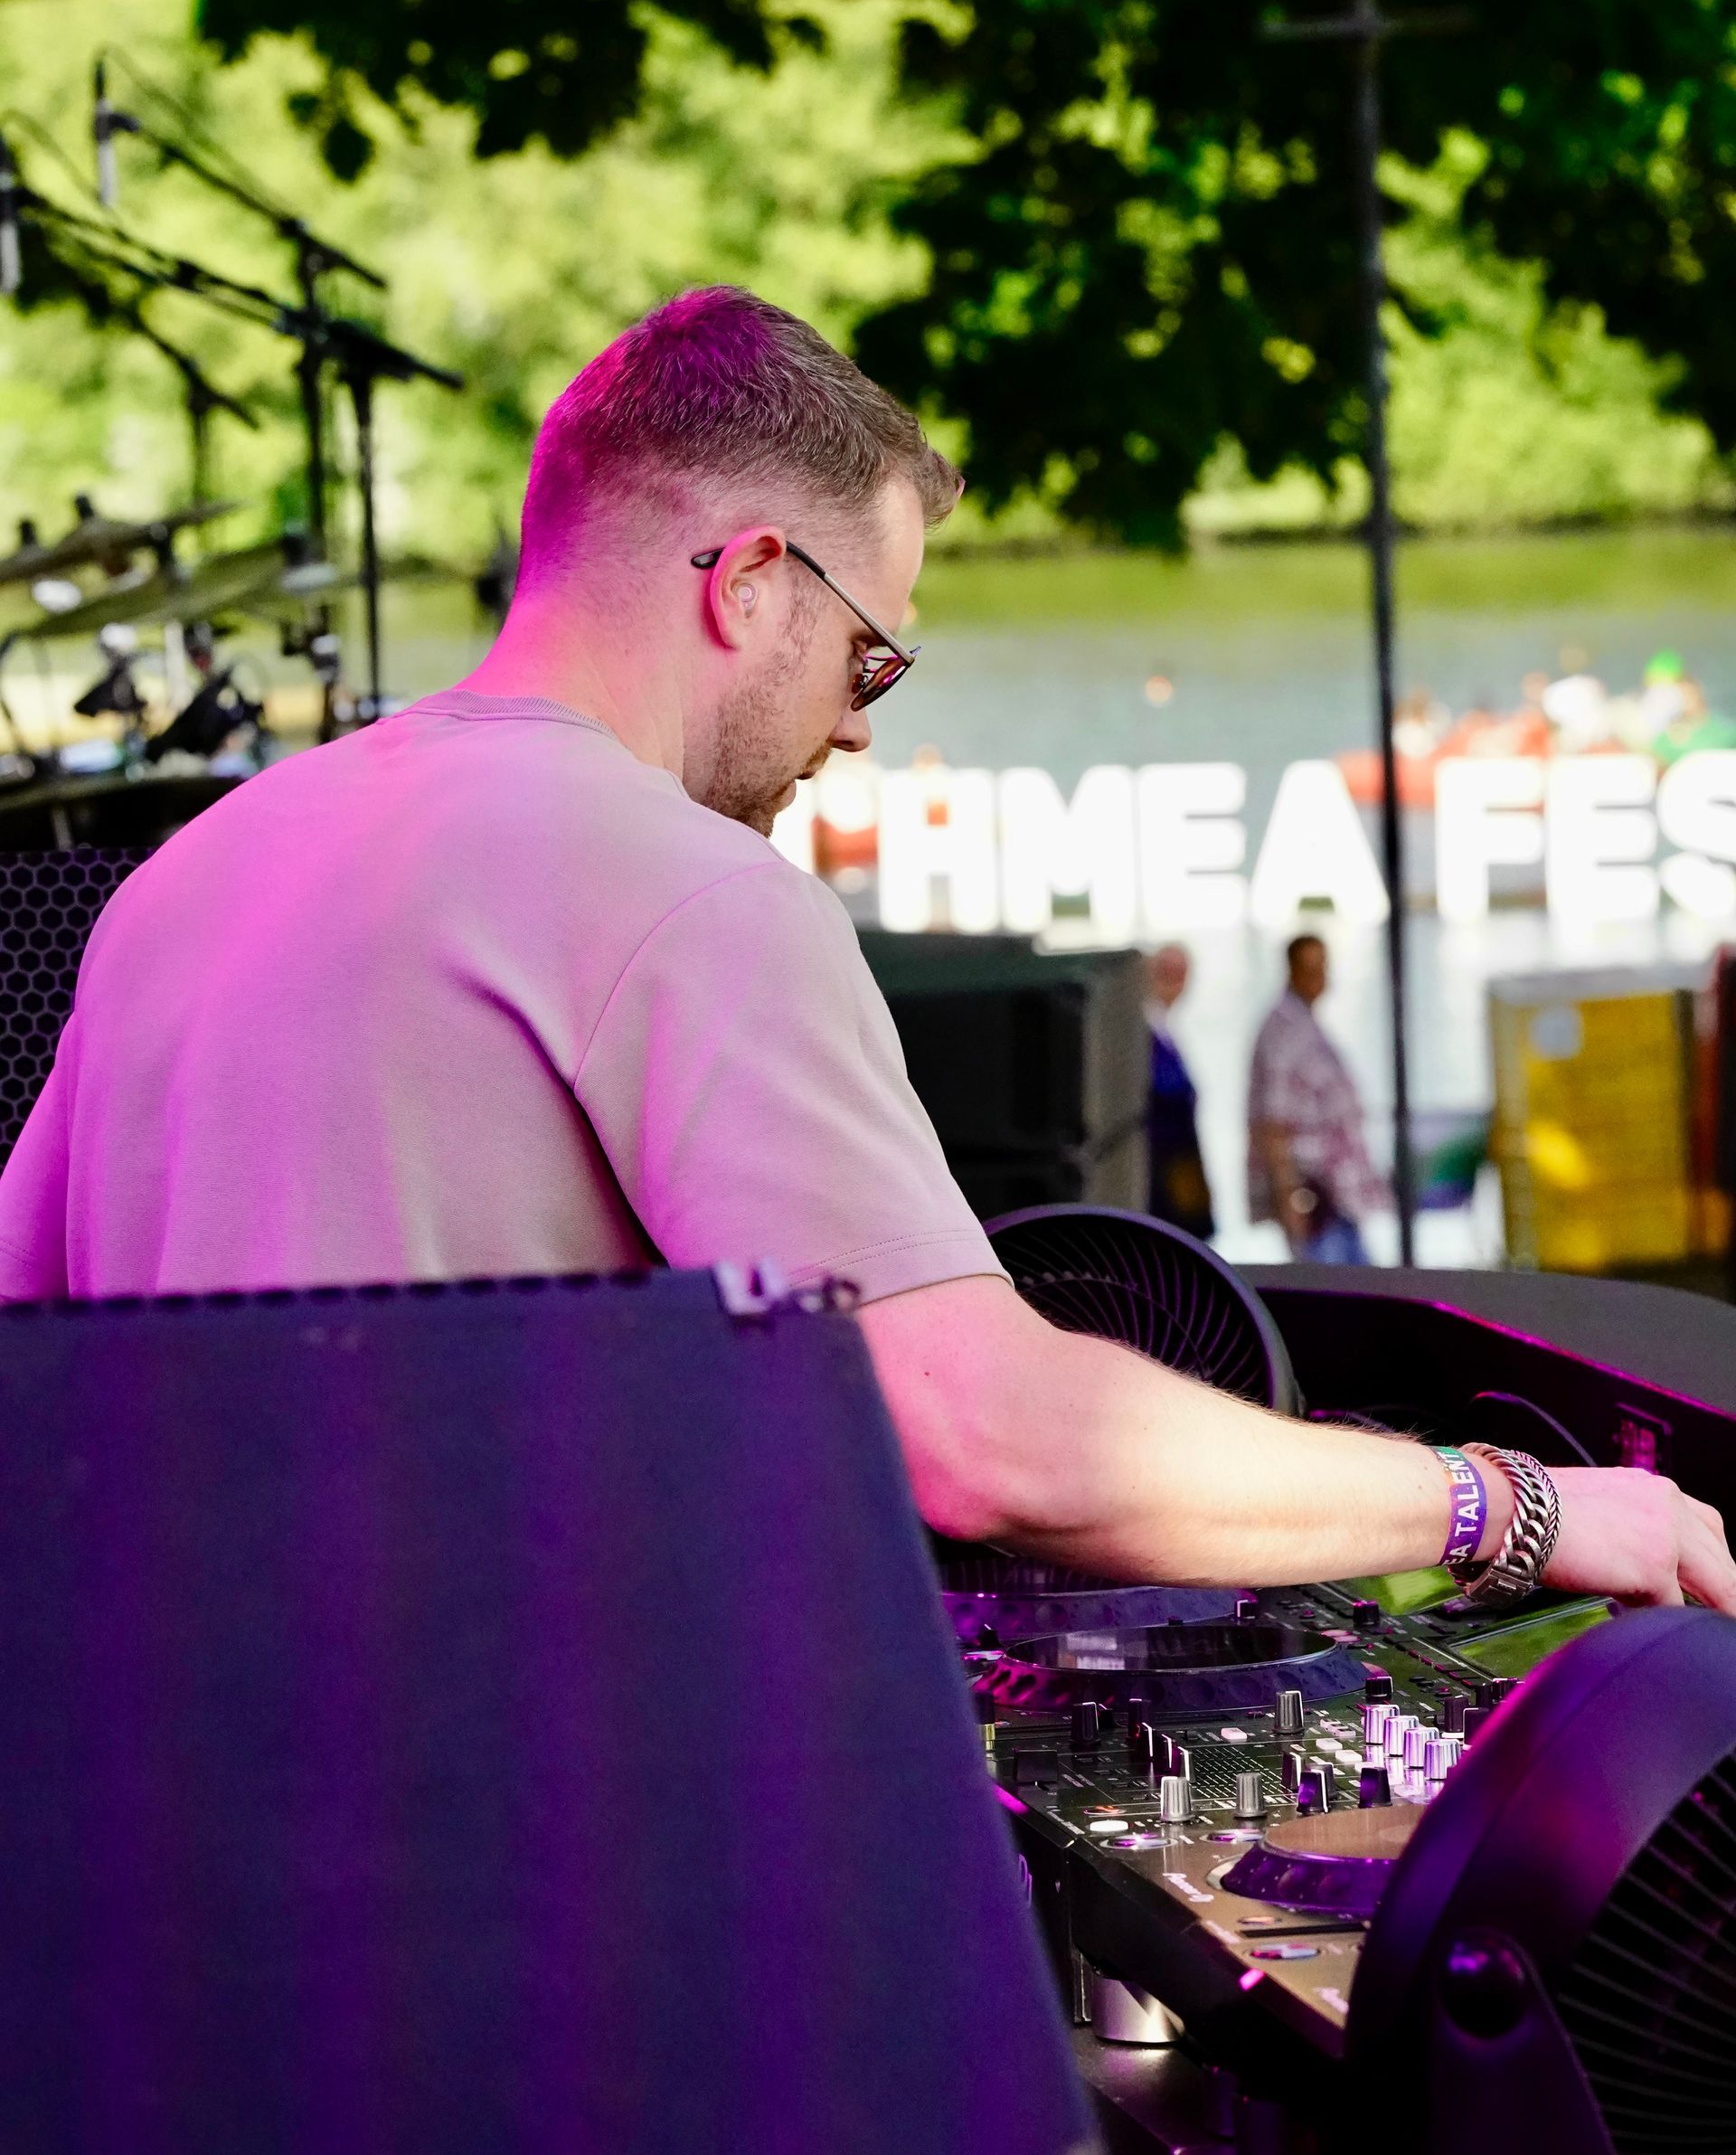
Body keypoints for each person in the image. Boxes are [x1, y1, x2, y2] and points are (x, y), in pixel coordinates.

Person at [0, 287, 1728, 1613]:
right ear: (749, 578)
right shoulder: (689, 890)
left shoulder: (184, 881)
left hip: (147, 1881)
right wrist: (1515, 1504)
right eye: (869, 657)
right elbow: (990, 1438)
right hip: (502, 1884)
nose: (856, 728)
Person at [1248, 932, 1382, 1265]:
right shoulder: (1284, 1032)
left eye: (1322, 967)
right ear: (1291, 970)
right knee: (1334, 1290)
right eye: (1309, 969)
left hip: (1338, 1196)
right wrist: (1289, 1196)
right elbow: (1272, 1123)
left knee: (1362, 1285)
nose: (1318, 977)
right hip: (1314, 1197)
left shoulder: (1305, 1025)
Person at [1143, 943, 1213, 1241]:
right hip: (1159, 1168)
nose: (1172, 982)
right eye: (1165, 973)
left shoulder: (1163, 1029)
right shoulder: (1144, 1032)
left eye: (1178, 974)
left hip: (1177, 1166)